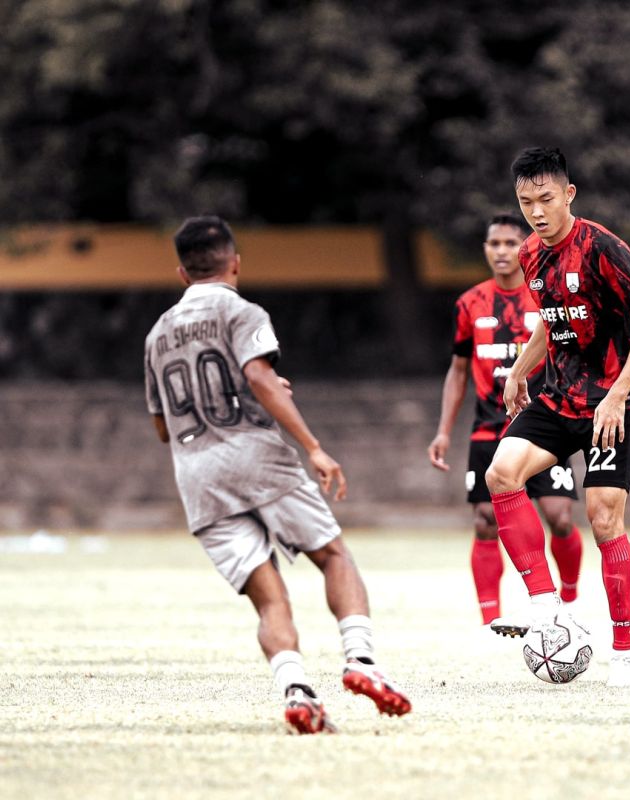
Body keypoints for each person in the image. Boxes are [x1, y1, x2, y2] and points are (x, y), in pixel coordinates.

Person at [144, 216, 411, 734]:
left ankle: (296, 689)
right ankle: (361, 661)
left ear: (181, 272)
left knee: (269, 597)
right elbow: (259, 377)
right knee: (333, 553)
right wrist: (313, 446)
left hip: (197, 474)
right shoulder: (242, 310)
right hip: (254, 453)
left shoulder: (157, 334)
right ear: (235, 262)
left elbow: (162, 427)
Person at [484, 147, 630, 687]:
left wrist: (617, 395)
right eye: (526, 203)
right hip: (558, 398)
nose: (537, 212)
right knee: (502, 474)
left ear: (569, 194)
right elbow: (552, 320)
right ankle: (546, 607)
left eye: (546, 199)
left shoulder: (603, 247)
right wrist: (521, 367)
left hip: (612, 405)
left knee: (604, 517)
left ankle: (626, 652)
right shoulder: (531, 255)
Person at [427, 213, 584, 626]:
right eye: (493, 243)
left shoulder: (545, 296)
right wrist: (444, 431)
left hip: (544, 423)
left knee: (560, 516)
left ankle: (567, 601)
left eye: (510, 243)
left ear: (525, 246)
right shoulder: (470, 304)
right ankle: (489, 617)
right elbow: (458, 370)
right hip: (489, 429)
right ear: (485, 249)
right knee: (483, 522)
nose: (501, 252)